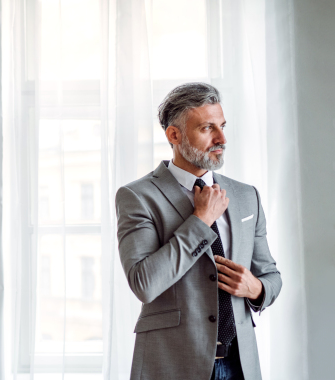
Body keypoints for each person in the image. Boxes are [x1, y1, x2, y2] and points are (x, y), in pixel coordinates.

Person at [115, 82, 281, 380]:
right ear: (174, 135)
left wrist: (256, 289)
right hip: (172, 364)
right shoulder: (137, 196)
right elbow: (144, 283)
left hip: (240, 364)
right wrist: (200, 221)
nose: (221, 138)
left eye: (222, 126)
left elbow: (270, 275)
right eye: (207, 128)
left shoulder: (246, 196)